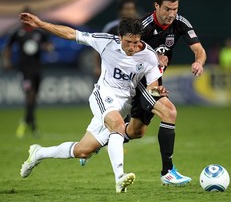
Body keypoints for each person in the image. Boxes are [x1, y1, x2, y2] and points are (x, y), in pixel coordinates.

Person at [19, 13, 165, 193]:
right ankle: (120, 178)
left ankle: (38, 153)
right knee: (118, 127)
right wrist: (41, 24)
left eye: (136, 42)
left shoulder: (149, 56)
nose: (133, 47)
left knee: (82, 151)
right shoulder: (106, 42)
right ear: (119, 37)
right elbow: (72, 34)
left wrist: (158, 92)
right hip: (103, 96)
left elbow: (152, 88)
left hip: (124, 104)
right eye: (128, 42)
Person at [80, 0, 206, 186]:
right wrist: (156, 57)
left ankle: (94, 145)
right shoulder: (144, 26)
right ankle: (168, 172)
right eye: (167, 9)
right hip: (140, 84)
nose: (172, 14)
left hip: (155, 81)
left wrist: (199, 61)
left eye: (175, 9)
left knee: (136, 131)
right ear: (157, 6)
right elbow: (131, 50)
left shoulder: (181, 23)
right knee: (169, 112)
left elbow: (199, 49)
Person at [2, 6, 53, 138]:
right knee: (29, 95)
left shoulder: (40, 33)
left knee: (34, 97)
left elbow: (49, 46)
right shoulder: (17, 32)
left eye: (28, 17)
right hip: (24, 70)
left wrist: (47, 47)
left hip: (37, 69)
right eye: (23, 17)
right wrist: (6, 61)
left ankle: (25, 120)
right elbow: (7, 47)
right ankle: (33, 125)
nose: (25, 20)